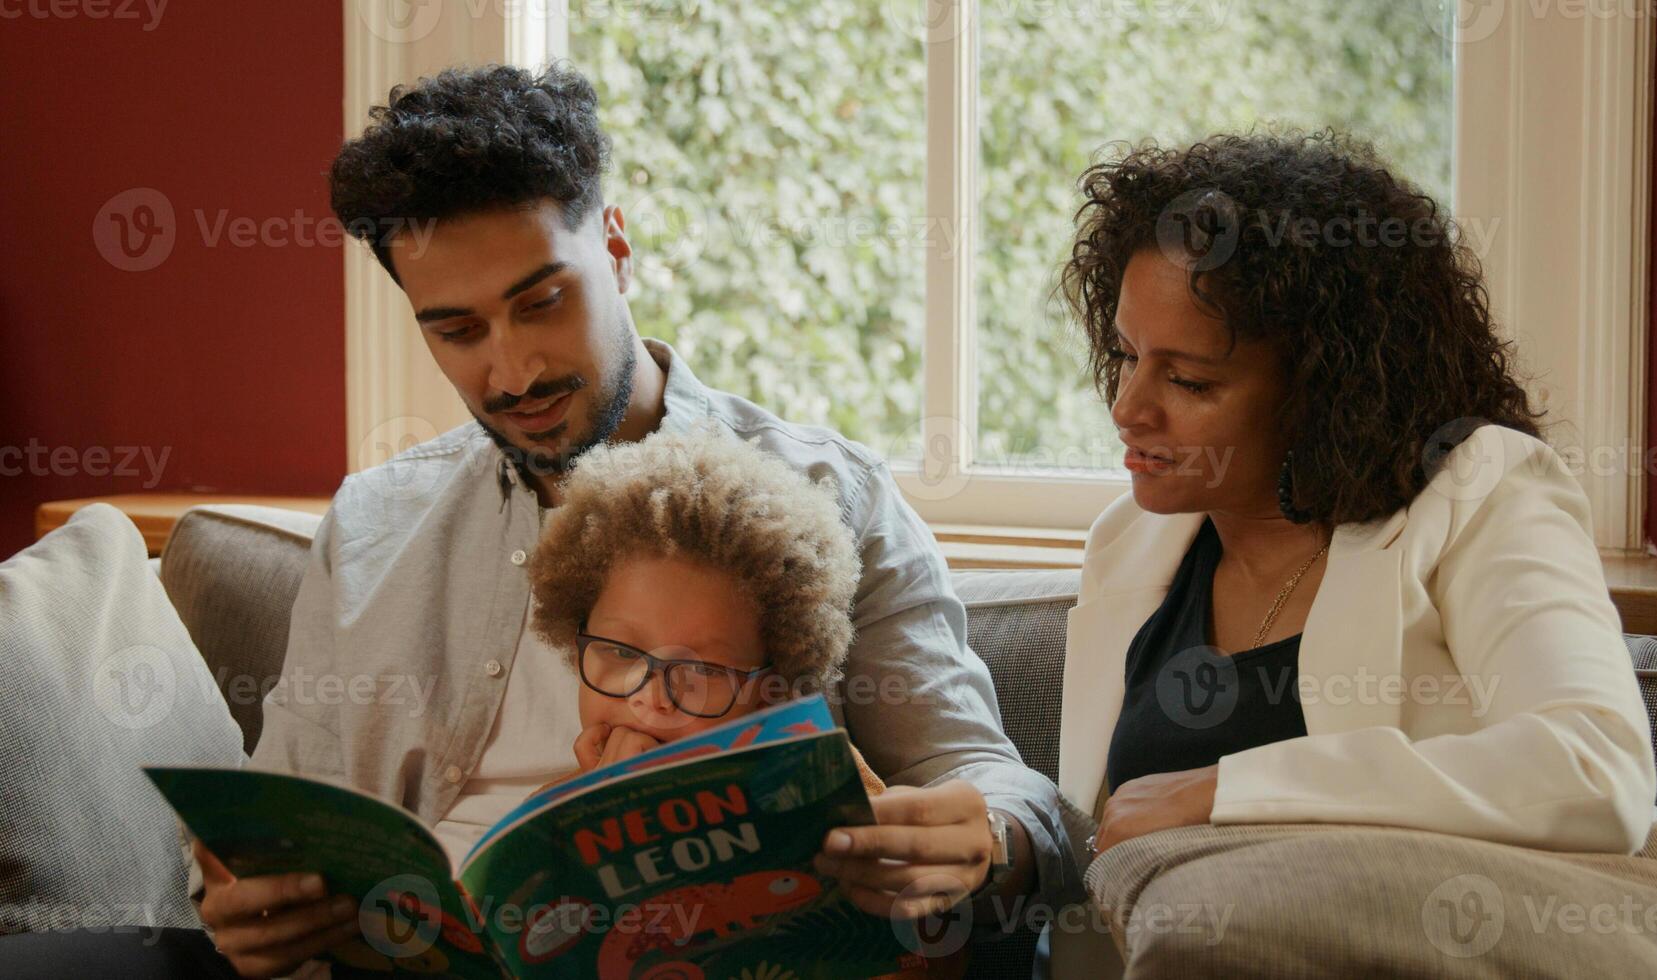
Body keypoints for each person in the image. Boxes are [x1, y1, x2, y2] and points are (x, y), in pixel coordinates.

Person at [171, 64, 1063, 979]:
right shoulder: (371, 526)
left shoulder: (831, 493)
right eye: (459, 332)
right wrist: (240, 902)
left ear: (617, 247)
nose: (513, 372)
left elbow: (1002, 786)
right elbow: (274, 823)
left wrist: (988, 836)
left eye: (542, 302)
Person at [1048, 130, 1657, 976]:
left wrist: (1225, 793)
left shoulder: (1481, 491)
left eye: (1190, 381)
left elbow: (1595, 769)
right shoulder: (1132, 542)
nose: (1128, 407)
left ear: (1324, 390)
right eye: (1124, 355)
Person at [525, 424, 965, 978]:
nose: (652, 700)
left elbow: (927, 949)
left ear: (772, 685)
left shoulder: (831, 794)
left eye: (705, 670)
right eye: (618, 650)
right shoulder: (549, 819)